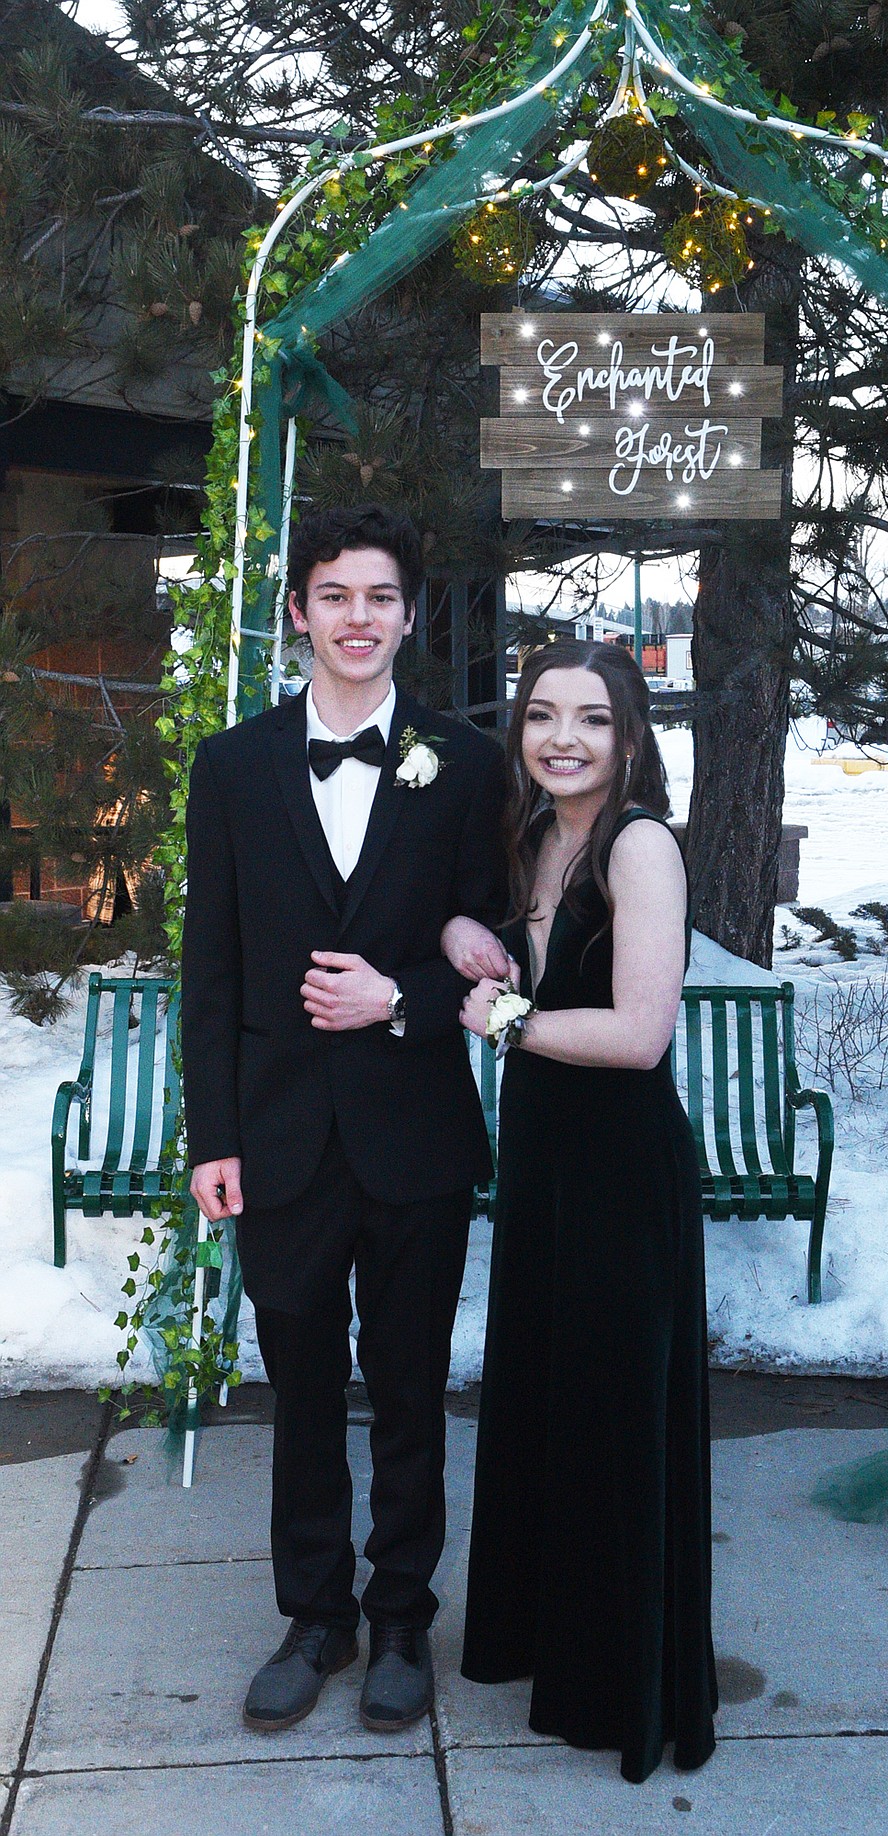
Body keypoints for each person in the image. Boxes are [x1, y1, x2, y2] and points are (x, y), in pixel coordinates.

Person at [182, 503, 509, 1735]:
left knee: (414, 1385)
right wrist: (215, 1139)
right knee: (302, 1384)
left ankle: (400, 1619)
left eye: (381, 596)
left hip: (415, 1130)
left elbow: (500, 959)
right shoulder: (233, 766)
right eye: (335, 595)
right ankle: (313, 1611)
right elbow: (206, 972)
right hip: (277, 1140)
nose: (358, 618)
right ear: (301, 612)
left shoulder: (467, 766)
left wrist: (401, 1001)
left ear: (410, 614)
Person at [448, 638, 718, 1783]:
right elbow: (526, 962)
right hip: (549, 1163)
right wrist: (481, 942)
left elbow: (638, 1033)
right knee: (553, 1408)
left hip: (618, 1165)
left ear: (632, 734)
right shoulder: (540, 839)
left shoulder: (640, 845)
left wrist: (502, 1020)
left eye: (593, 719)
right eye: (544, 715)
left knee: (613, 1424)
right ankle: (551, 1646)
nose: (565, 737)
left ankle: (624, 1688)